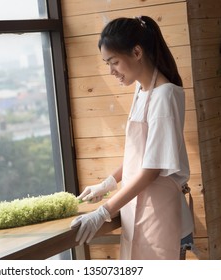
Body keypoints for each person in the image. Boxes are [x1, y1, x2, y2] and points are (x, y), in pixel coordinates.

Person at [70, 16, 194, 260]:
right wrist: (108, 183)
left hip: (161, 215)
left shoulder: (164, 95)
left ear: (137, 52)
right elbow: (139, 154)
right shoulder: (141, 89)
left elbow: (151, 169)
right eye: (107, 64)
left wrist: (102, 211)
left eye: (114, 62)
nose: (111, 71)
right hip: (139, 209)